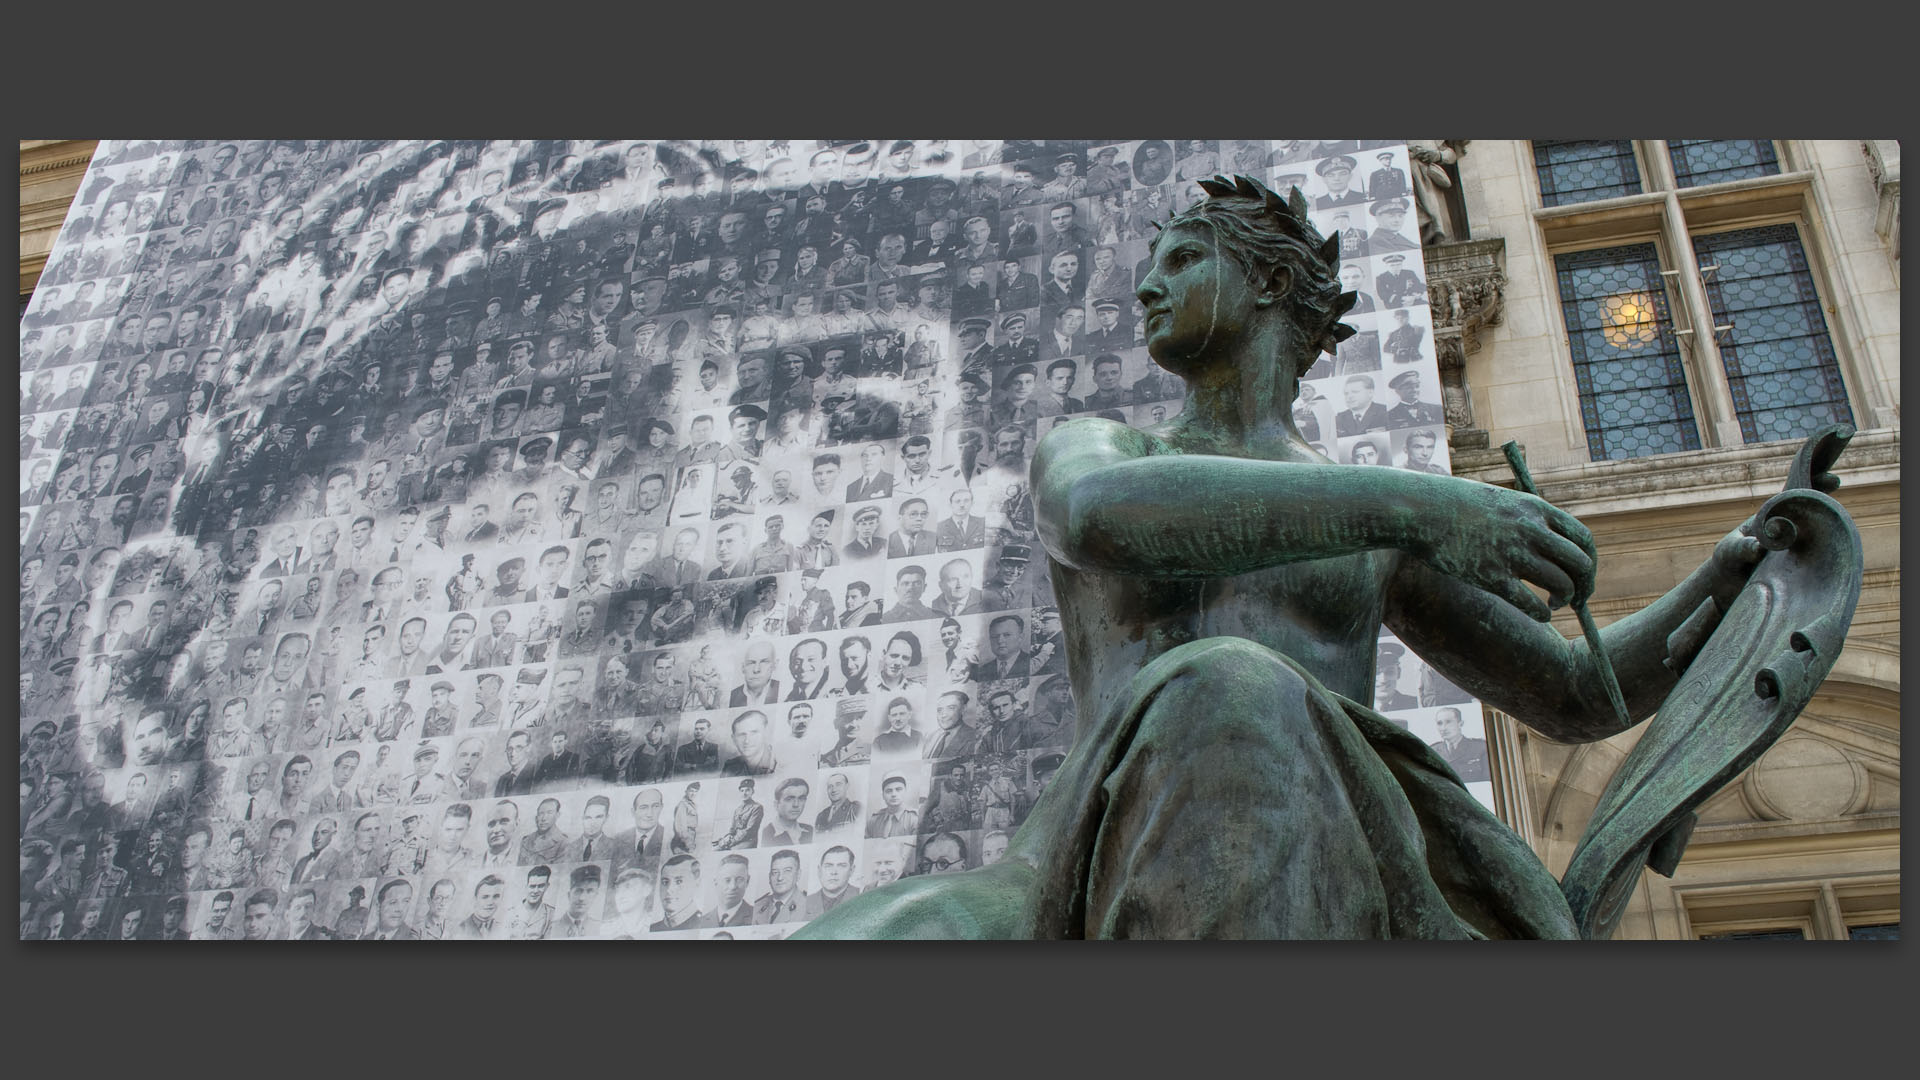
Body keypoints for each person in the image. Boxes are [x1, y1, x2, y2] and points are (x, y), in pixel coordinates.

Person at [797, 174, 1774, 941]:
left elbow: (1577, 693)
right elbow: (1093, 516)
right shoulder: (1109, 452)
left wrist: (1729, 589)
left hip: (1315, 838)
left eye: (1182, 260)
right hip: (1073, 857)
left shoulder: (1376, 532)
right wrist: (1426, 504)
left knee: (1232, 687)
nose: (1147, 285)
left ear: (1265, 282)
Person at [1429, 707, 1489, 782]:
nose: (1443, 728)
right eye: (1439, 723)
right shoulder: (1432, 751)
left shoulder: (1480, 748)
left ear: (1460, 724)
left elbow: (1487, 782)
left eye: (1448, 722)